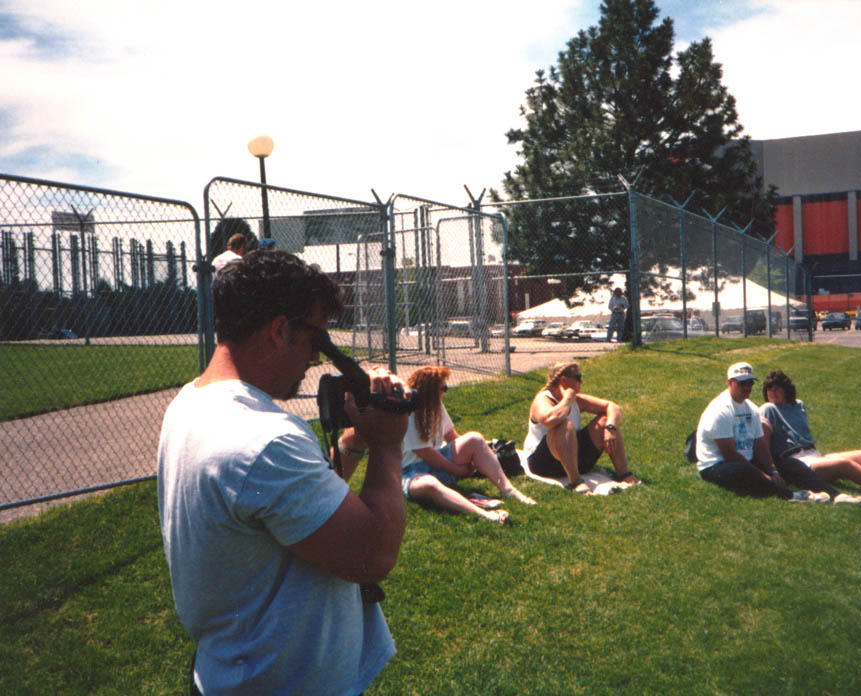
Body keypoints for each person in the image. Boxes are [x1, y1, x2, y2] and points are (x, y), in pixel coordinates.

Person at [157, 250, 408, 696]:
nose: (315, 360)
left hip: (228, 670)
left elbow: (296, 511)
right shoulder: (265, 439)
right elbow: (373, 554)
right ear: (280, 330)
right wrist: (389, 443)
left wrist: (353, 442)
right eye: (317, 342)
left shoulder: (190, 404)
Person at [695, 362, 861, 505]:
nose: (747, 387)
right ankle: (794, 495)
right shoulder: (720, 410)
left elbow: (759, 444)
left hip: (745, 457)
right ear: (730, 383)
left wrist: (772, 469)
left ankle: (837, 496)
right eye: (742, 383)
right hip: (717, 465)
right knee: (744, 471)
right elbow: (730, 455)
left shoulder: (751, 408)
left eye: (750, 382)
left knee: (788, 463)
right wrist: (762, 474)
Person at [400, 366, 536, 524]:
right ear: (430, 390)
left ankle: (508, 490)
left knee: (474, 439)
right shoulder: (409, 413)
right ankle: (485, 515)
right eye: (443, 387)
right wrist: (457, 470)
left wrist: (473, 457)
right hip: (410, 473)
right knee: (429, 484)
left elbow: (452, 437)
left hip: (437, 463)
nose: (445, 390)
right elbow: (426, 453)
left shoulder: (437, 406)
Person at [759, 369, 861, 495]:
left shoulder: (798, 405)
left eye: (777, 389)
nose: (773, 393)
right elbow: (763, 443)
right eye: (769, 389)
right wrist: (772, 471)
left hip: (815, 455)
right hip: (799, 463)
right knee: (843, 464)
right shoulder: (767, 409)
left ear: (786, 390)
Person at [523, 361, 639, 494]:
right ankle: (575, 481)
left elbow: (612, 406)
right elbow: (550, 420)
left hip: (573, 458)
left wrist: (610, 428)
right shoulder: (542, 400)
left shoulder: (577, 400)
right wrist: (567, 399)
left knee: (605, 420)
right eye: (578, 378)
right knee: (564, 425)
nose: (581, 382)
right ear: (564, 381)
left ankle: (623, 474)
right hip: (543, 464)